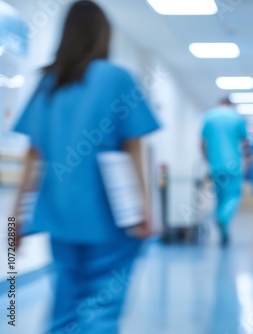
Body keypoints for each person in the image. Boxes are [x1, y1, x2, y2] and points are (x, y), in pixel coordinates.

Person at [11, 1, 160, 333]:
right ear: (103, 36)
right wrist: (145, 208)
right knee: (101, 308)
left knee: (64, 307)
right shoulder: (118, 79)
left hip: (61, 219)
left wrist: (14, 221)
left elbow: (32, 160)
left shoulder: (49, 84)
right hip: (111, 219)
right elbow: (134, 148)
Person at [201, 97, 249, 247]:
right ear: (230, 105)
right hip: (233, 166)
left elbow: (202, 143)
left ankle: (223, 226)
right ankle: (223, 217)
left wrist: (208, 161)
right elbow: (245, 143)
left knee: (220, 198)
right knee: (233, 196)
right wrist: (247, 160)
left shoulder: (209, 117)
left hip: (215, 166)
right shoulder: (237, 118)